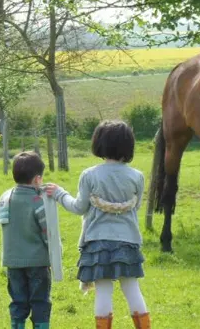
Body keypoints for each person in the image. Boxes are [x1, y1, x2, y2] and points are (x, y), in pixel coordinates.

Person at [46, 120, 150, 329]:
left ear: (99, 143)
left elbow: (79, 207)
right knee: (132, 289)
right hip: (128, 241)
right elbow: (135, 206)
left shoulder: (90, 175)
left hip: (97, 242)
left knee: (103, 291)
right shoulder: (137, 177)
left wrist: (59, 194)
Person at [0, 151, 51, 329]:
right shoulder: (38, 201)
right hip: (38, 262)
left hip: (13, 262)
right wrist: (53, 255)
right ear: (37, 179)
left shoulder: (4, 198)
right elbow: (47, 233)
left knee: (18, 302)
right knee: (40, 301)